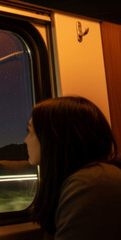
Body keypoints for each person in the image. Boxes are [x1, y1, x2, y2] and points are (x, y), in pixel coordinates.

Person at [25, 96, 121, 239]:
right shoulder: (83, 180)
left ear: (53, 137)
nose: (25, 140)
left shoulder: (93, 183)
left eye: (30, 131)